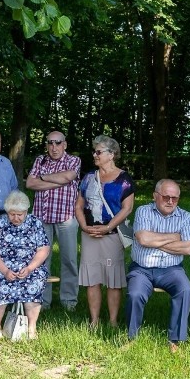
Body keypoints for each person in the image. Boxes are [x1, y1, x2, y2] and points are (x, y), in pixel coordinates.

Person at [125, 179, 190, 352]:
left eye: (175, 198)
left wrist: (154, 241)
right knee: (135, 294)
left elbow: (188, 248)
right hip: (142, 269)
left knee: (185, 290)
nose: (170, 201)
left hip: (172, 270)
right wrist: (174, 237)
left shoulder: (186, 216)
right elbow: (143, 239)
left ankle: (175, 340)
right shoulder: (143, 211)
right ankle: (132, 337)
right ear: (155, 196)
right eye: (166, 197)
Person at [76, 135, 135, 329]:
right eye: (94, 151)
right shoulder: (88, 178)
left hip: (112, 235)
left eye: (99, 152)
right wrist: (84, 226)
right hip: (89, 234)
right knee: (92, 278)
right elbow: (79, 205)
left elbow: (127, 208)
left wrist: (108, 227)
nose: (95, 155)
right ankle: (94, 321)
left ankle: (112, 321)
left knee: (113, 279)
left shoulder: (124, 179)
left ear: (111, 155)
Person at [25, 130, 82, 310]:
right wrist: (57, 181)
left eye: (58, 143)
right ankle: (43, 301)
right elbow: (30, 184)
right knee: (41, 260)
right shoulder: (40, 160)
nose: (54, 146)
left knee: (69, 260)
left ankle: (69, 301)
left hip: (66, 217)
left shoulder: (74, 160)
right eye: (50, 143)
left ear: (64, 144)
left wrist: (41, 178)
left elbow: (69, 177)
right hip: (42, 217)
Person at [0, 191, 50, 340]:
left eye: (20, 214)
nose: (16, 218)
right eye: (12, 214)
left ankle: (31, 328)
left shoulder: (35, 223)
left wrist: (30, 268)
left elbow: (43, 249)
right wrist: (5, 270)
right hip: (3, 265)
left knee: (35, 280)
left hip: (30, 265)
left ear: (26, 211)